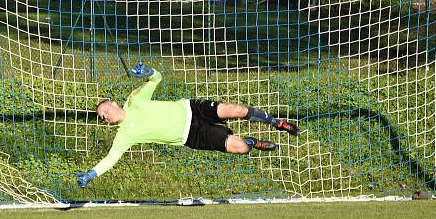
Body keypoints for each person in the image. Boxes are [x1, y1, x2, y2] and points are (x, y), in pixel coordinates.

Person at [76, 62, 301, 188]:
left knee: (238, 110)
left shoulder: (135, 100)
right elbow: (111, 158)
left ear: (114, 104)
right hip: (192, 136)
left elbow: (156, 79)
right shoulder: (124, 135)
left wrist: (149, 72)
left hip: (193, 109)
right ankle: (252, 141)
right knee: (240, 148)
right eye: (101, 117)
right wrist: (92, 174)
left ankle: (277, 122)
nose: (104, 116)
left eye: (104, 110)